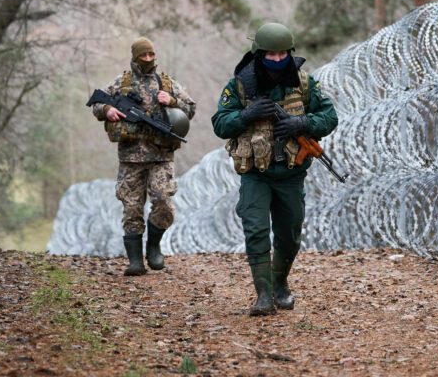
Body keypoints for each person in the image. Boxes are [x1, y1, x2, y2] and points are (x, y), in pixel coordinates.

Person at [211, 23, 338, 315]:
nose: (278, 59)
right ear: (259, 53)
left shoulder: (304, 83)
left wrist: (303, 123)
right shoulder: (240, 85)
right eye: (272, 54)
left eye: (283, 54)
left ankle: (280, 283)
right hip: (256, 174)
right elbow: (220, 123)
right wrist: (245, 115)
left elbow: (329, 117)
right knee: (256, 230)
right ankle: (264, 295)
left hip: (291, 174)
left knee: (289, 234)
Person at [92, 37, 196, 276]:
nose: (148, 59)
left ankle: (154, 247)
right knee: (131, 208)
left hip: (161, 156)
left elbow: (190, 108)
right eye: (143, 55)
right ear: (135, 56)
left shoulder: (166, 82)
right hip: (130, 158)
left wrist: (172, 101)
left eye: (151, 55)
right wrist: (108, 110)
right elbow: (97, 102)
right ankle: (135, 260)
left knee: (163, 203)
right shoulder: (122, 82)